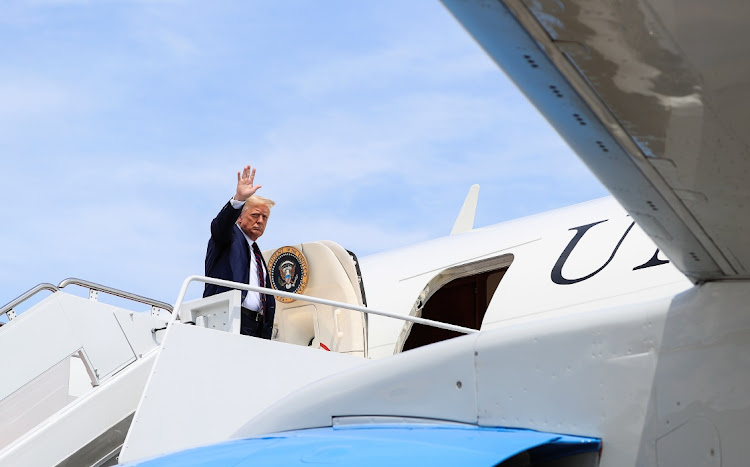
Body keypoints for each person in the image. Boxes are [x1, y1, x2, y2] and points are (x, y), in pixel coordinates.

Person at [203, 165, 276, 339]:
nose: (260, 221)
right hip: (230, 319)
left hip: (256, 327)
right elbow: (219, 226)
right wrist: (238, 199)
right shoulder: (229, 237)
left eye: (264, 217)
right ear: (240, 217)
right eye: (255, 215)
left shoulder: (257, 254)